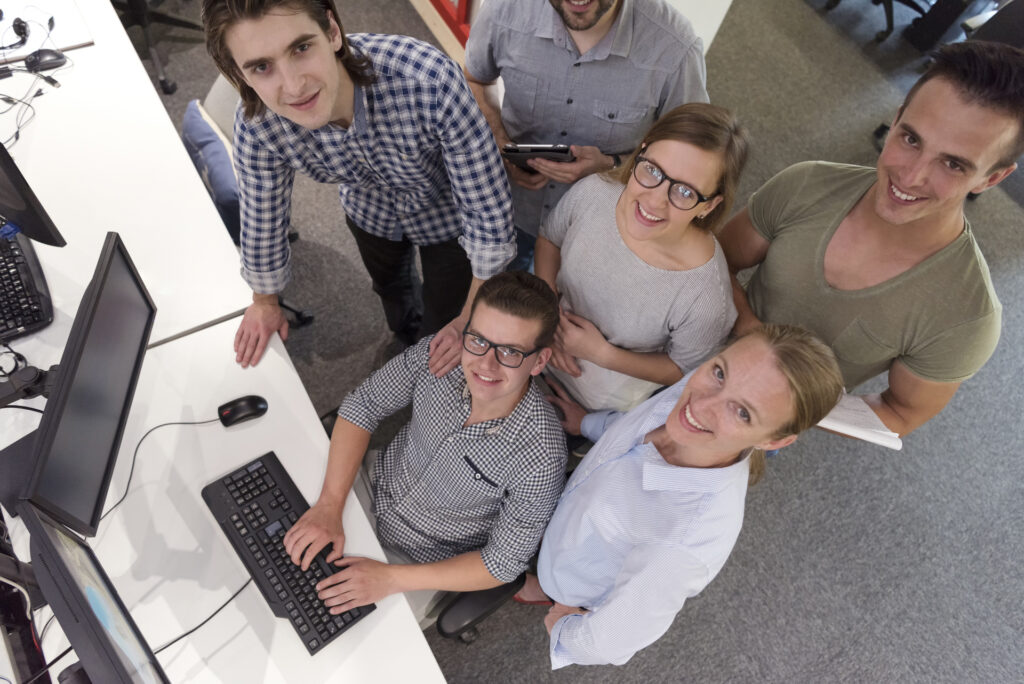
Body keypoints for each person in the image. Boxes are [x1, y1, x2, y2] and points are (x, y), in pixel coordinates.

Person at [718, 41, 1024, 437]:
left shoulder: (967, 317)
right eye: (911, 139)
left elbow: (900, 413)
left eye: (952, 164)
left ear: (991, 179)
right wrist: (748, 333)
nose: (910, 177)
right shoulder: (806, 183)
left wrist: (787, 410)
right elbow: (718, 259)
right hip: (701, 334)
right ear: (895, 120)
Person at [202, 0, 515, 373]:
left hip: (450, 216)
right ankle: (405, 337)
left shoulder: (428, 80)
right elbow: (262, 221)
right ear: (239, 74)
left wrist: (470, 318)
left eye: (301, 48)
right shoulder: (258, 124)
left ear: (332, 32)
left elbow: (488, 213)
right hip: (369, 213)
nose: (294, 86)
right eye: (261, 67)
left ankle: (429, 362)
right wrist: (265, 302)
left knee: (447, 314)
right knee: (391, 291)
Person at [518, 324, 843, 667]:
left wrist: (564, 630)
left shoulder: (685, 543)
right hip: (565, 514)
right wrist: (588, 423)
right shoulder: (691, 395)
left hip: (570, 580)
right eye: (720, 372)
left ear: (773, 441)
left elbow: (609, 642)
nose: (702, 405)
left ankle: (545, 590)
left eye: (743, 412)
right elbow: (634, 425)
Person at [281, 271, 567, 618]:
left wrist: (389, 578)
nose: (485, 364)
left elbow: (502, 564)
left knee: (323, 632)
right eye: (478, 340)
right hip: (363, 490)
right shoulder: (442, 354)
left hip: (420, 562)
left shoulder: (541, 456)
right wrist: (329, 505)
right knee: (267, 553)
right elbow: (364, 405)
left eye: (510, 352)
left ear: (539, 361)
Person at [463, 0, 709, 271]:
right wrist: (500, 143)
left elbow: (690, 157)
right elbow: (476, 80)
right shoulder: (503, 9)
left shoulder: (677, 48)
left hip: (600, 236)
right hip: (508, 211)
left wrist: (611, 165)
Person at [534, 103, 746, 412]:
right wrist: (548, 310)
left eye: (685, 192)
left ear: (709, 206)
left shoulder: (705, 296)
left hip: (594, 406)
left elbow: (682, 368)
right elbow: (550, 239)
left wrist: (601, 354)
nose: (655, 200)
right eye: (653, 170)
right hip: (537, 343)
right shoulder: (593, 192)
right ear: (641, 153)